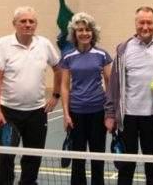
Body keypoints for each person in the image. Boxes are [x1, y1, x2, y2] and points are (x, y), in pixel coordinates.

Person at [104, 6, 153, 185]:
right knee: (126, 166)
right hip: (127, 118)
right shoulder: (123, 50)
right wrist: (109, 114)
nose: (145, 27)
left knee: (152, 165)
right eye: (141, 22)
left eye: (149, 23)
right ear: (136, 24)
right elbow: (113, 85)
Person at [0, 6, 61, 185]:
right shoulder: (2, 44)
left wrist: (56, 96)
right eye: (23, 21)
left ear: (36, 24)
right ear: (14, 24)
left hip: (37, 113)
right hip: (9, 115)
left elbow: (59, 69)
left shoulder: (44, 44)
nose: (28, 24)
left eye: (31, 21)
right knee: (6, 159)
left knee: (33, 158)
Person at [59, 12, 112, 185]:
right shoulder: (68, 56)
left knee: (98, 158)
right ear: (74, 33)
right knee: (78, 159)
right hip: (76, 114)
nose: (84, 33)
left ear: (93, 32)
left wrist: (109, 112)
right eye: (80, 30)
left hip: (98, 113)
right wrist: (66, 114)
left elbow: (110, 83)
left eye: (88, 29)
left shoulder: (102, 54)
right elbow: (65, 86)